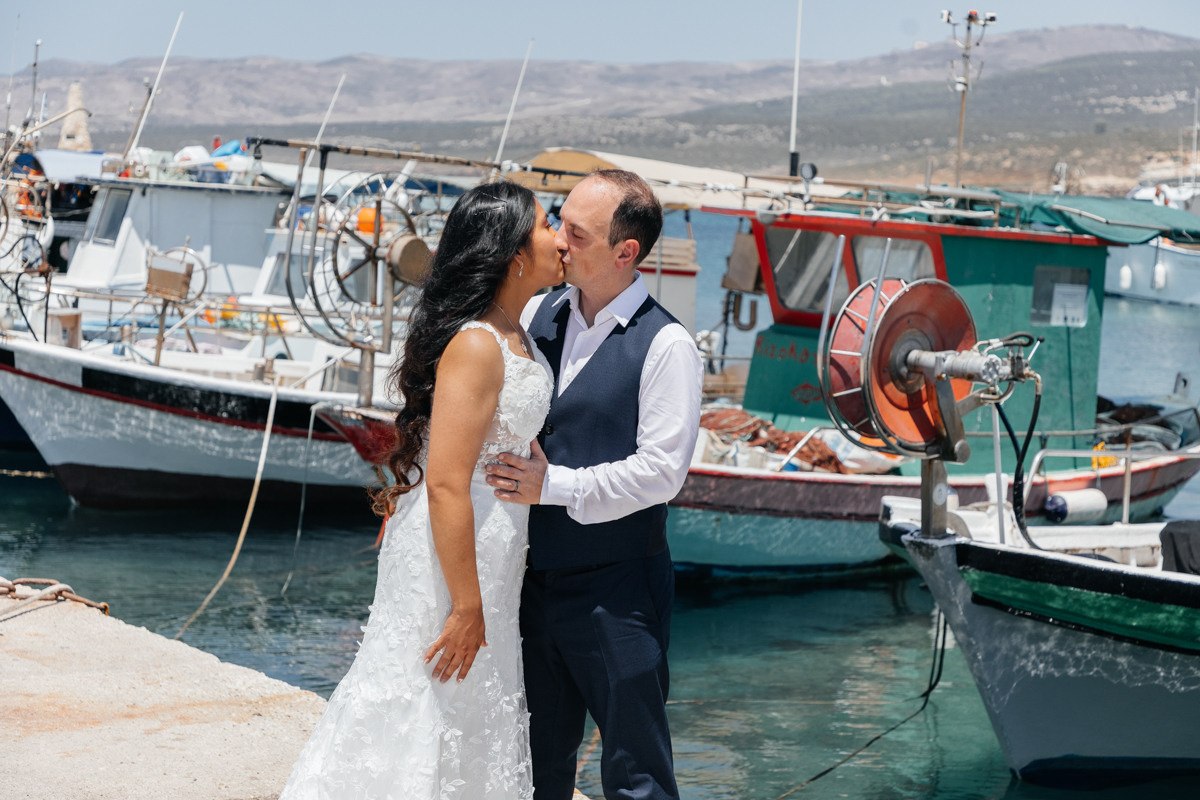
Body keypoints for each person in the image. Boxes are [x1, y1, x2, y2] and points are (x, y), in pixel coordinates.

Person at [280, 180, 563, 800]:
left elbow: (500, 430)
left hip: (496, 547)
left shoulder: (518, 333)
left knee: (473, 696)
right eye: (548, 225)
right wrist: (465, 604)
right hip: (455, 549)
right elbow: (444, 481)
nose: (560, 238)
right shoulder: (478, 344)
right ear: (515, 253)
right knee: (428, 690)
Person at [485, 170, 703, 800]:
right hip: (532, 582)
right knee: (535, 766)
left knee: (636, 774)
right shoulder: (538, 311)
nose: (558, 240)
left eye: (576, 233)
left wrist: (553, 486)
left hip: (619, 589)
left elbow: (662, 472)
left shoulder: (667, 345)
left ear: (625, 252)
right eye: (559, 222)